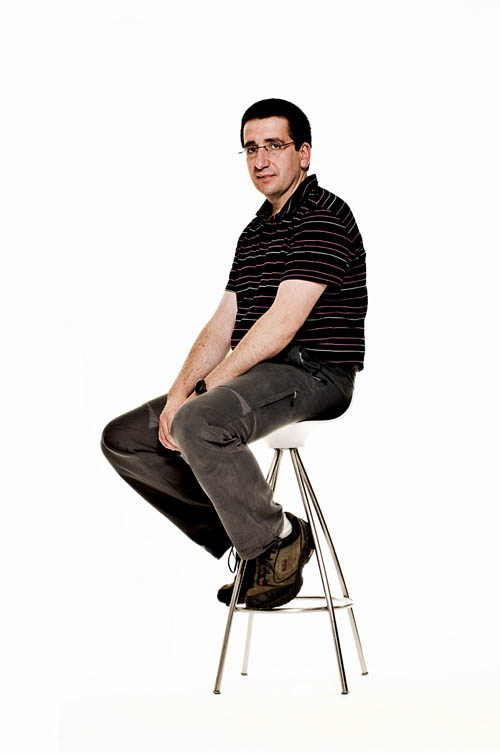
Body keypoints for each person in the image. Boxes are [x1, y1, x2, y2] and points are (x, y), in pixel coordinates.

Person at [101, 98, 367, 610]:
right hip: (261, 372)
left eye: (274, 145)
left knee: (199, 420)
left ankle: (271, 546)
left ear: (304, 153)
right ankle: (266, 535)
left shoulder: (324, 215)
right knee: (127, 439)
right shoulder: (255, 232)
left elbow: (282, 324)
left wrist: (204, 392)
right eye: (250, 148)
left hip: (316, 373)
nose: (260, 159)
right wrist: (178, 394)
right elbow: (223, 323)